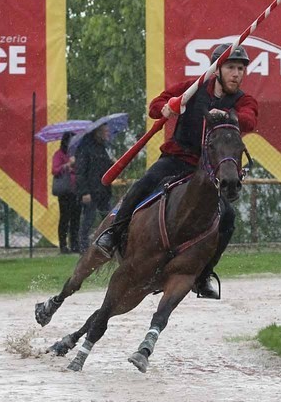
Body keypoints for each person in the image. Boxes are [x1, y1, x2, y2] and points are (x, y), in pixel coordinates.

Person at [93, 43, 258, 299]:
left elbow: (249, 120)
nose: (237, 74)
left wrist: (226, 114)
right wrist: (167, 106)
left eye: (240, 68)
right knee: (141, 186)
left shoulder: (243, 101)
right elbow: (154, 106)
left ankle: (203, 275)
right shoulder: (192, 89)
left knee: (227, 217)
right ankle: (112, 236)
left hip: (208, 173)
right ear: (216, 70)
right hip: (176, 159)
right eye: (231, 68)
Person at [74, 123, 114, 252]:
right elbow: (80, 172)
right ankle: (84, 247)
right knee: (88, 220)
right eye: (105, 130)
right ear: (98, 132)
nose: (107, 133)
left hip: (103, 190)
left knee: (109, 219)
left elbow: (104, 168)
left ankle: (110, 244)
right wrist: (84, 192)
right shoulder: (85, 149)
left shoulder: (102, 148)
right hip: (91, 191)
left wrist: (112, 163)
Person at [52, 132, 80, 253]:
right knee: (65, 218)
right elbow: (55, 170)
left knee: (76, 218)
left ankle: (74, 244)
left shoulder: (77, 154)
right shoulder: (59, 154)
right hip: (65, 191)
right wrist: (68, 165)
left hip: (77, 190)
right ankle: (63, 245)